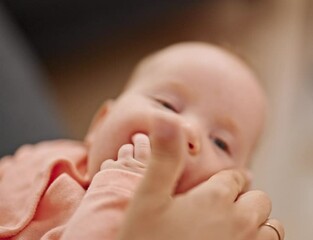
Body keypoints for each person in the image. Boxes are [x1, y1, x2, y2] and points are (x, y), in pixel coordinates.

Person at [0, 42, 284, 240]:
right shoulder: (51, 155)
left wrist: (122, 181)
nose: (186, 129)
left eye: (220, 143)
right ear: (100, 123)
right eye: (167, 104)